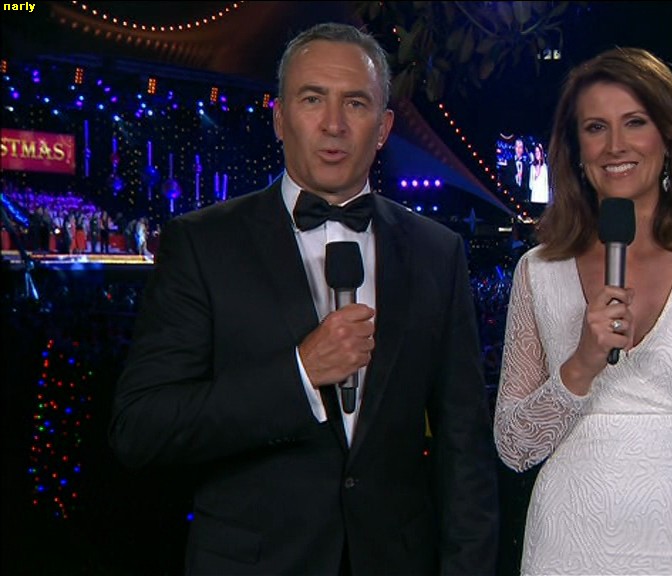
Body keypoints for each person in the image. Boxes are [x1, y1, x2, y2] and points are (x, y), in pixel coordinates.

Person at [109, 22, 498, 575]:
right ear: (279, 117)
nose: (333, 124)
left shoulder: (438, 251)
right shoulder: (202, 244)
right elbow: (142, 428)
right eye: (313, 99)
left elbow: (465, 449)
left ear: (384, 127)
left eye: (355, 103)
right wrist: (300, 375)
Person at [493, 47, 672, 575]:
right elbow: (514, 447)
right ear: (575, 150)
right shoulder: (537, 270)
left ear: (669, 137)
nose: (615, 146)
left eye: (635, 122)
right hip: (570, 547)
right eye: (595, 128)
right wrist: (581, 364)